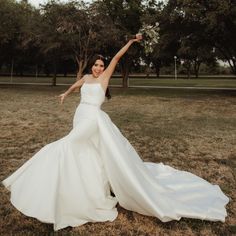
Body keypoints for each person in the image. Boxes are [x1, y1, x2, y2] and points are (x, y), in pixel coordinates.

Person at [2, 34, 229, 231]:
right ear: (91, 65)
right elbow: (76, 85)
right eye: (96, 65)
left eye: (101, 65)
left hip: (92, 119)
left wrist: (130, 42)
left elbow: (118, 58)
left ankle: (54, 187)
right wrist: (65, 94)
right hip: (80, 115)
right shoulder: (88, 77)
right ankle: (87, 186)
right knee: (86, 152)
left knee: (66, 144)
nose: (99, 68)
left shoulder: (104, 78)